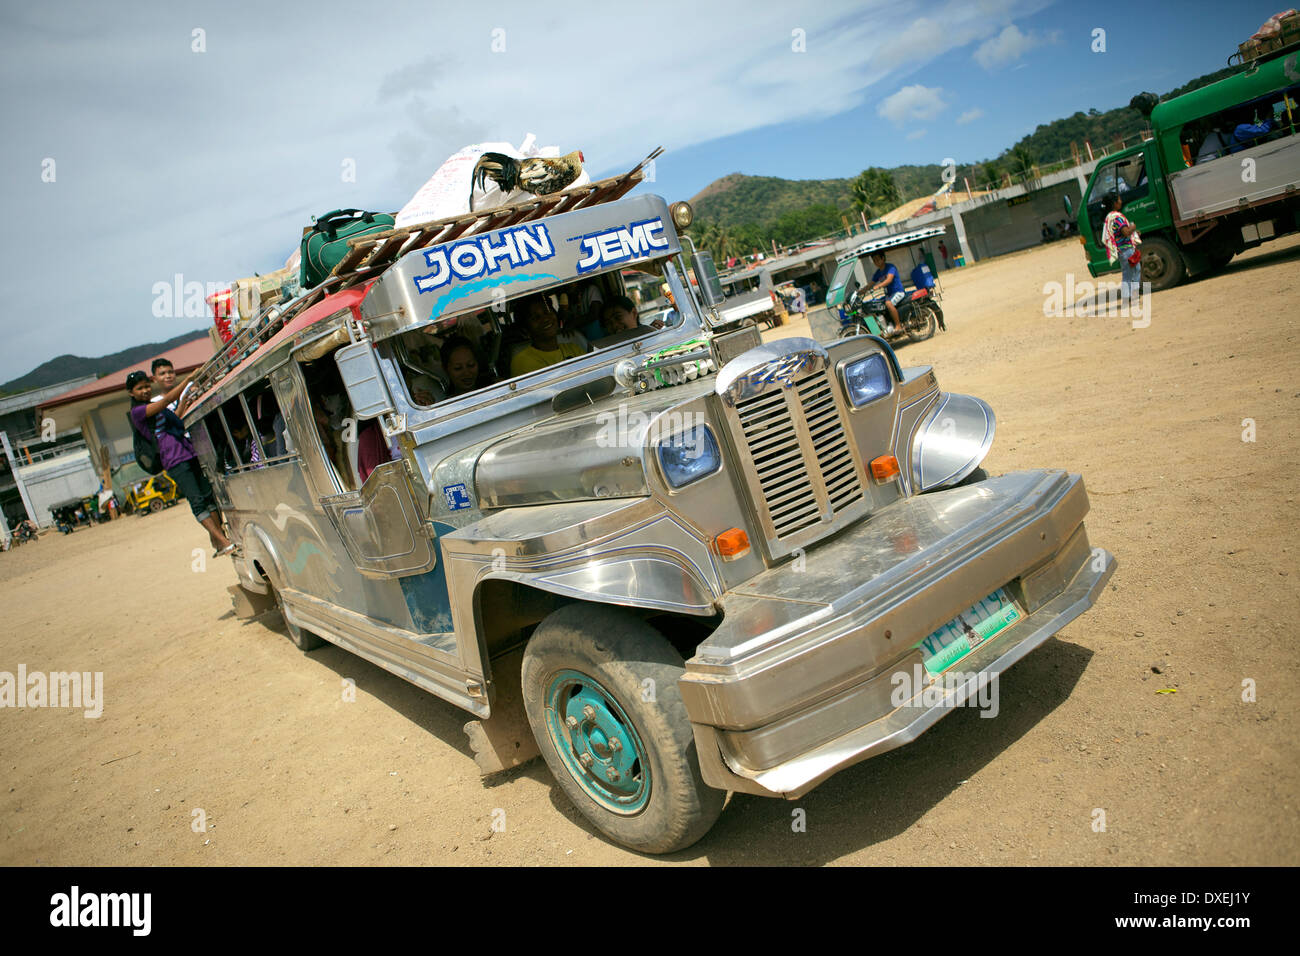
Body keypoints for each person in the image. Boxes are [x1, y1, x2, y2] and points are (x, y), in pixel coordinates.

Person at [126, 370, 235, 556]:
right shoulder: (137, 412)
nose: (144, 390)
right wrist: (186, 381)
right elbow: (167, 401)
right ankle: (223, 541)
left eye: (146, 386)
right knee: (197, 500)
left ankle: (218, 539)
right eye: (139, 388)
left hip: (188, 452)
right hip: (173, 459)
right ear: (131, 393)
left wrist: (185, 401)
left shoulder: (154, 407)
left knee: (208, 496)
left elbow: (175, 416)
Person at [509, 294, 586, 377]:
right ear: (525, 331)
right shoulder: (522, 362)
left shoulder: (574, 349)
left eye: (547, 312)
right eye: (536, 318)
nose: (545, 319)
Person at [1101, 191, 1142, 304]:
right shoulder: (1117, 217)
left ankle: (1130, 296)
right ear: (1114, 203)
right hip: (1126, 250)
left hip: (1123, 250)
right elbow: (1125, 232)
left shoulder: (1110, 217)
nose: (1121, 201)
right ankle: (1131, 296)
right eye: (1119, 199)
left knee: (1130, 272)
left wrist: (1133, 232)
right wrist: (1133, 227)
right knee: (1132, 272)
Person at [867, 251, 906, 334]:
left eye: (877, 259)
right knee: (877, 304)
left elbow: (889, 279)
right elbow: (870, 284)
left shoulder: (890, 267)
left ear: (883, 258)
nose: (876, 262)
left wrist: (878, 286)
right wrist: (859, 292)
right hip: (889, 294)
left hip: (898, 292)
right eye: (874, 260)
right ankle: (888, 324)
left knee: (888, 303)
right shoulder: (878, 272)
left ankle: (898, 326)